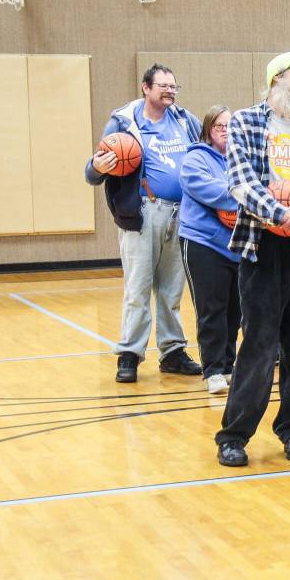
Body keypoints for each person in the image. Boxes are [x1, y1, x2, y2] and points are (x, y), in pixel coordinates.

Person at [214, 52, 290, 467]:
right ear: (276, 78)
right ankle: (234, 436)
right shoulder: (246, 122)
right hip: (263, 246)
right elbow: (241, 180)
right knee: (259, 346)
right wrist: (283, 215)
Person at [85, 63, 204, 383]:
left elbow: (206, 153)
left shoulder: (185, 120)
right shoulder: (124, 122)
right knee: (138, 288)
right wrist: (97, 167)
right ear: (146, 87)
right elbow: (92, 172)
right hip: (144, 213)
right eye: (163, 86)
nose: (170, 91)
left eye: (173, 86)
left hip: (182, 213)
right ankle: (129, 353)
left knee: (172, 290)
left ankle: (172, 351)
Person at [178, 105, 241, 395]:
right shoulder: (195, 158)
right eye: (219, 126)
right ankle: (213, 370)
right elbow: (209, 190)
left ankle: (228, 365)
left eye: (231, 126)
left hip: (237, 244)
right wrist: (244, 194)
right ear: (208, 130)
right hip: (202, 242)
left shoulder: (242, 160)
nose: (226, 131)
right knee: (211, 309)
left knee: (235, 311)